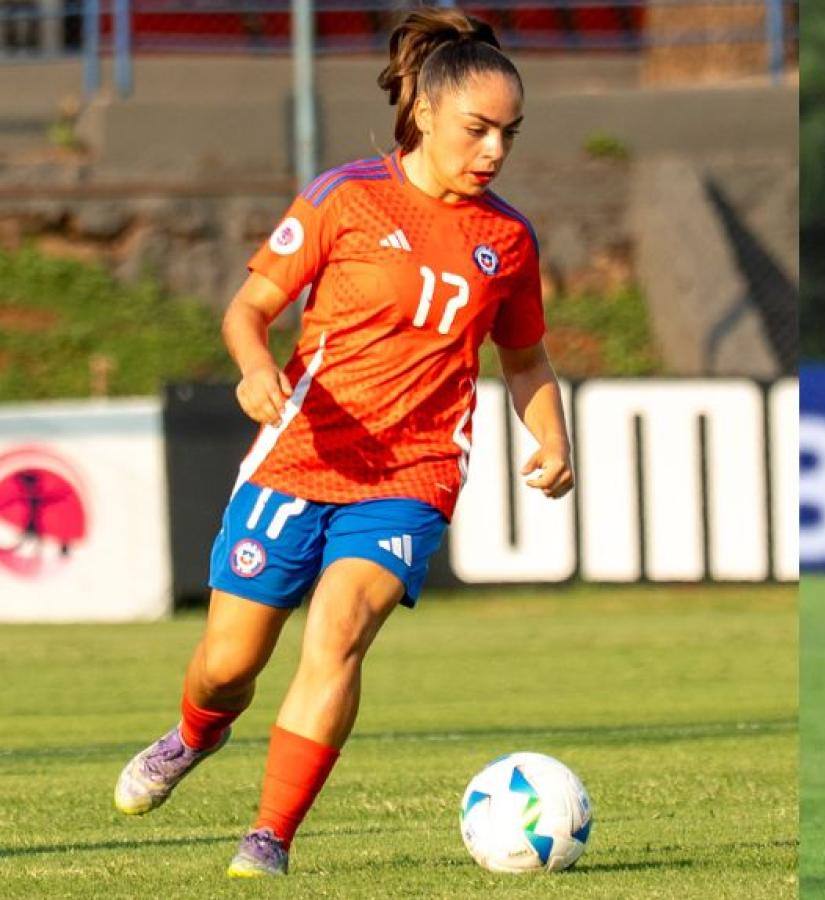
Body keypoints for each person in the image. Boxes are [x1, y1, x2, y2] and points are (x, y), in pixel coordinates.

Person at [112, 8, 573, 878]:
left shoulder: (508, 240)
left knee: (339, 631)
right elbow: (247, 311)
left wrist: (552, 437)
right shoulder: (345, 197)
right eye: (477, 130)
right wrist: (254, 368)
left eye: (508, 135)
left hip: (413, 473)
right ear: (426, 113)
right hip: (300, 458)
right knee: (226, 665)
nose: (494, 152)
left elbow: (526, 360)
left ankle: (270, 837)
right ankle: (192, 736)